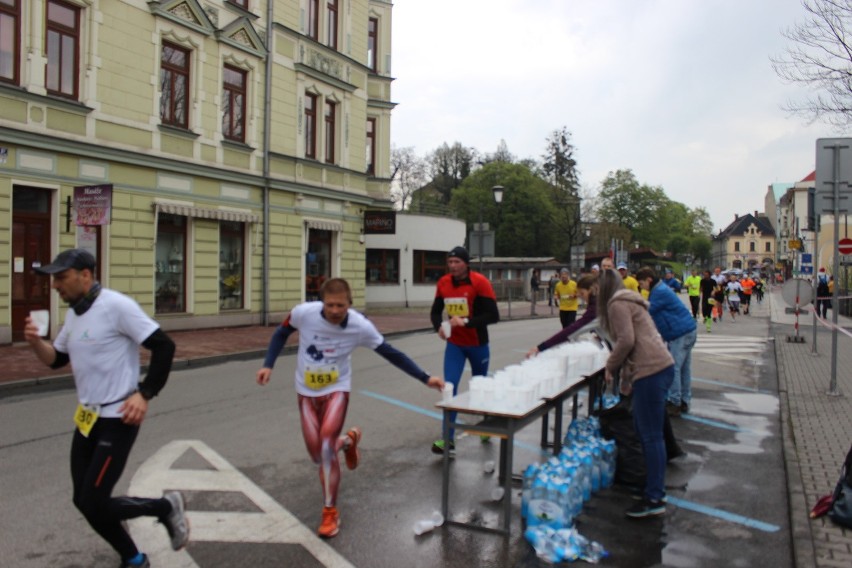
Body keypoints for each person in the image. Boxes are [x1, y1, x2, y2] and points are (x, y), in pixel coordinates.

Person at [24, 249, 187, 568]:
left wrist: (144, 394)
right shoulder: (73, 315)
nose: (55, 286)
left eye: (61, 278)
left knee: (93, 501)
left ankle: (163, 508)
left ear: (85, 275)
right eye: (53, 279)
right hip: (87, 418)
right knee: (82, 500)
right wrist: (34, 342)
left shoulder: (116, 306)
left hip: (118, 417)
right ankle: (134, 557)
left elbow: (163, 346)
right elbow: (57, 359)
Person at [257, 277, 444, 538]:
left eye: (341, 306)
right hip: (306, 391)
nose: (335, 311)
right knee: (316, 454)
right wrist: (268, 364)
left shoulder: (359, 326)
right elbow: (281, 332)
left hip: (336, 390)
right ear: (321, 302)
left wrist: (425, 377)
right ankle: (347, 442)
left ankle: (330, 512)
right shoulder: (304, 313)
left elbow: (391, 353)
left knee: (324, 449)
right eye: (330, 305)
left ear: (350, 304)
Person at [597, 269, 675, 518]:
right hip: (657, 367)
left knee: (650, 436)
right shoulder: (631, 300)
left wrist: (611, 366)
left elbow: (627, 341)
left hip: (651, 371)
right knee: (648, 433)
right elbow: (637, 342)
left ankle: (654, 497)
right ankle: (655, 489)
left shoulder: (617, 304)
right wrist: (628, 379)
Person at [429, 246, 500, 454]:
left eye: (456, 262)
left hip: (478, 345)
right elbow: (435, 312)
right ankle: (447, 439)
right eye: (450, 262)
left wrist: (466, 321)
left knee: (480, 388)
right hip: (455, 346)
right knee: (449, 387)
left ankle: (486, 427)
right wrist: (439, 328)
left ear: (466, 263)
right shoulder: (444, 283)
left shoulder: (480, 282)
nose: (452, 266)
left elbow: (493, 316)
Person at [636, 267, 697, 416]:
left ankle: (674, 402)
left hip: (679, 333)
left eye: (642, 283)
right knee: (684, 369)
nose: (641, 287)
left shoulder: (659, 292)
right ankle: (684, 400)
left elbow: (647, 312)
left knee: (674, 368)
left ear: (649, 280)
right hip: (687, 330)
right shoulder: (660, 289)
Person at [526, 274, 598, 358]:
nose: (582, 297)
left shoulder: (596, 307)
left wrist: (541, 347)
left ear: (591, 290)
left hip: (572, 308)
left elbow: (573, 329)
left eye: (582, 293)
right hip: (563, 308)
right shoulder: (600, 302)